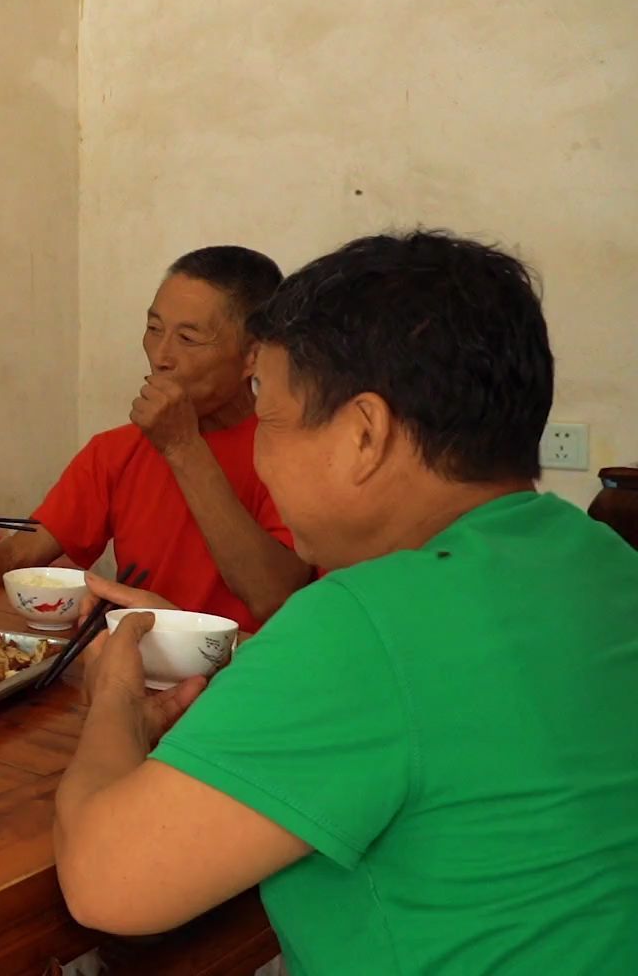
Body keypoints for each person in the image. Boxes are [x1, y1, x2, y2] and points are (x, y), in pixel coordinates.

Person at [53, 231, 638, 972]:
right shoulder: (599, 557)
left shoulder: (362, 618)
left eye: (268, 411)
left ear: (365, 435)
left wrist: (112, 698)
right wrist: (237, 654)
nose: (259, 450)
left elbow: (107, 885)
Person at [0, 246, 310, 632]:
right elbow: (13, 561)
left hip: (244, 685)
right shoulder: (117, 451)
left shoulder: (298, 452)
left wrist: (182, 447)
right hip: (132, 672)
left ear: (253, 355)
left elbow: (273, 598)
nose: (161, 357)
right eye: (154, 328)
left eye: (188, 338)